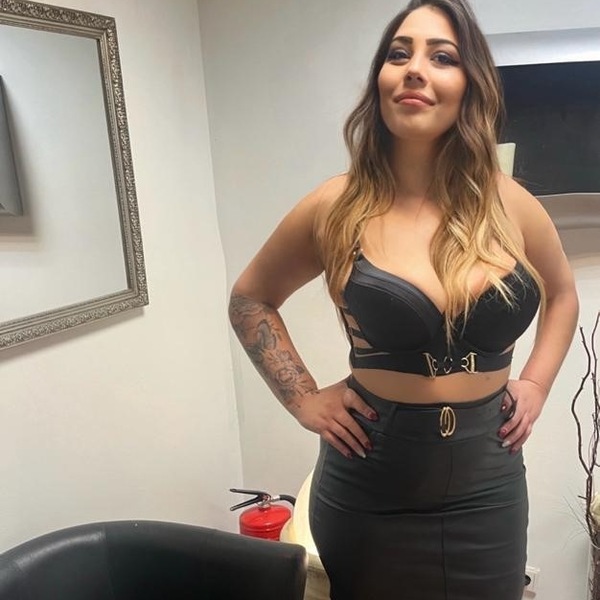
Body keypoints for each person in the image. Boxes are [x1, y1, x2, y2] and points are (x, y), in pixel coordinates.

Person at [228, 0, 579, 598]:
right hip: (371, 485)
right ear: (380, 81)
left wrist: (538, 384)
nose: (415, 68)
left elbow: (563, 293)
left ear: (470, 85)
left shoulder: (510, 204)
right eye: (399, 54)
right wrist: (303, 399)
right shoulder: (334, 206)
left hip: (488, 485)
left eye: (442, 57)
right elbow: (251, 299)